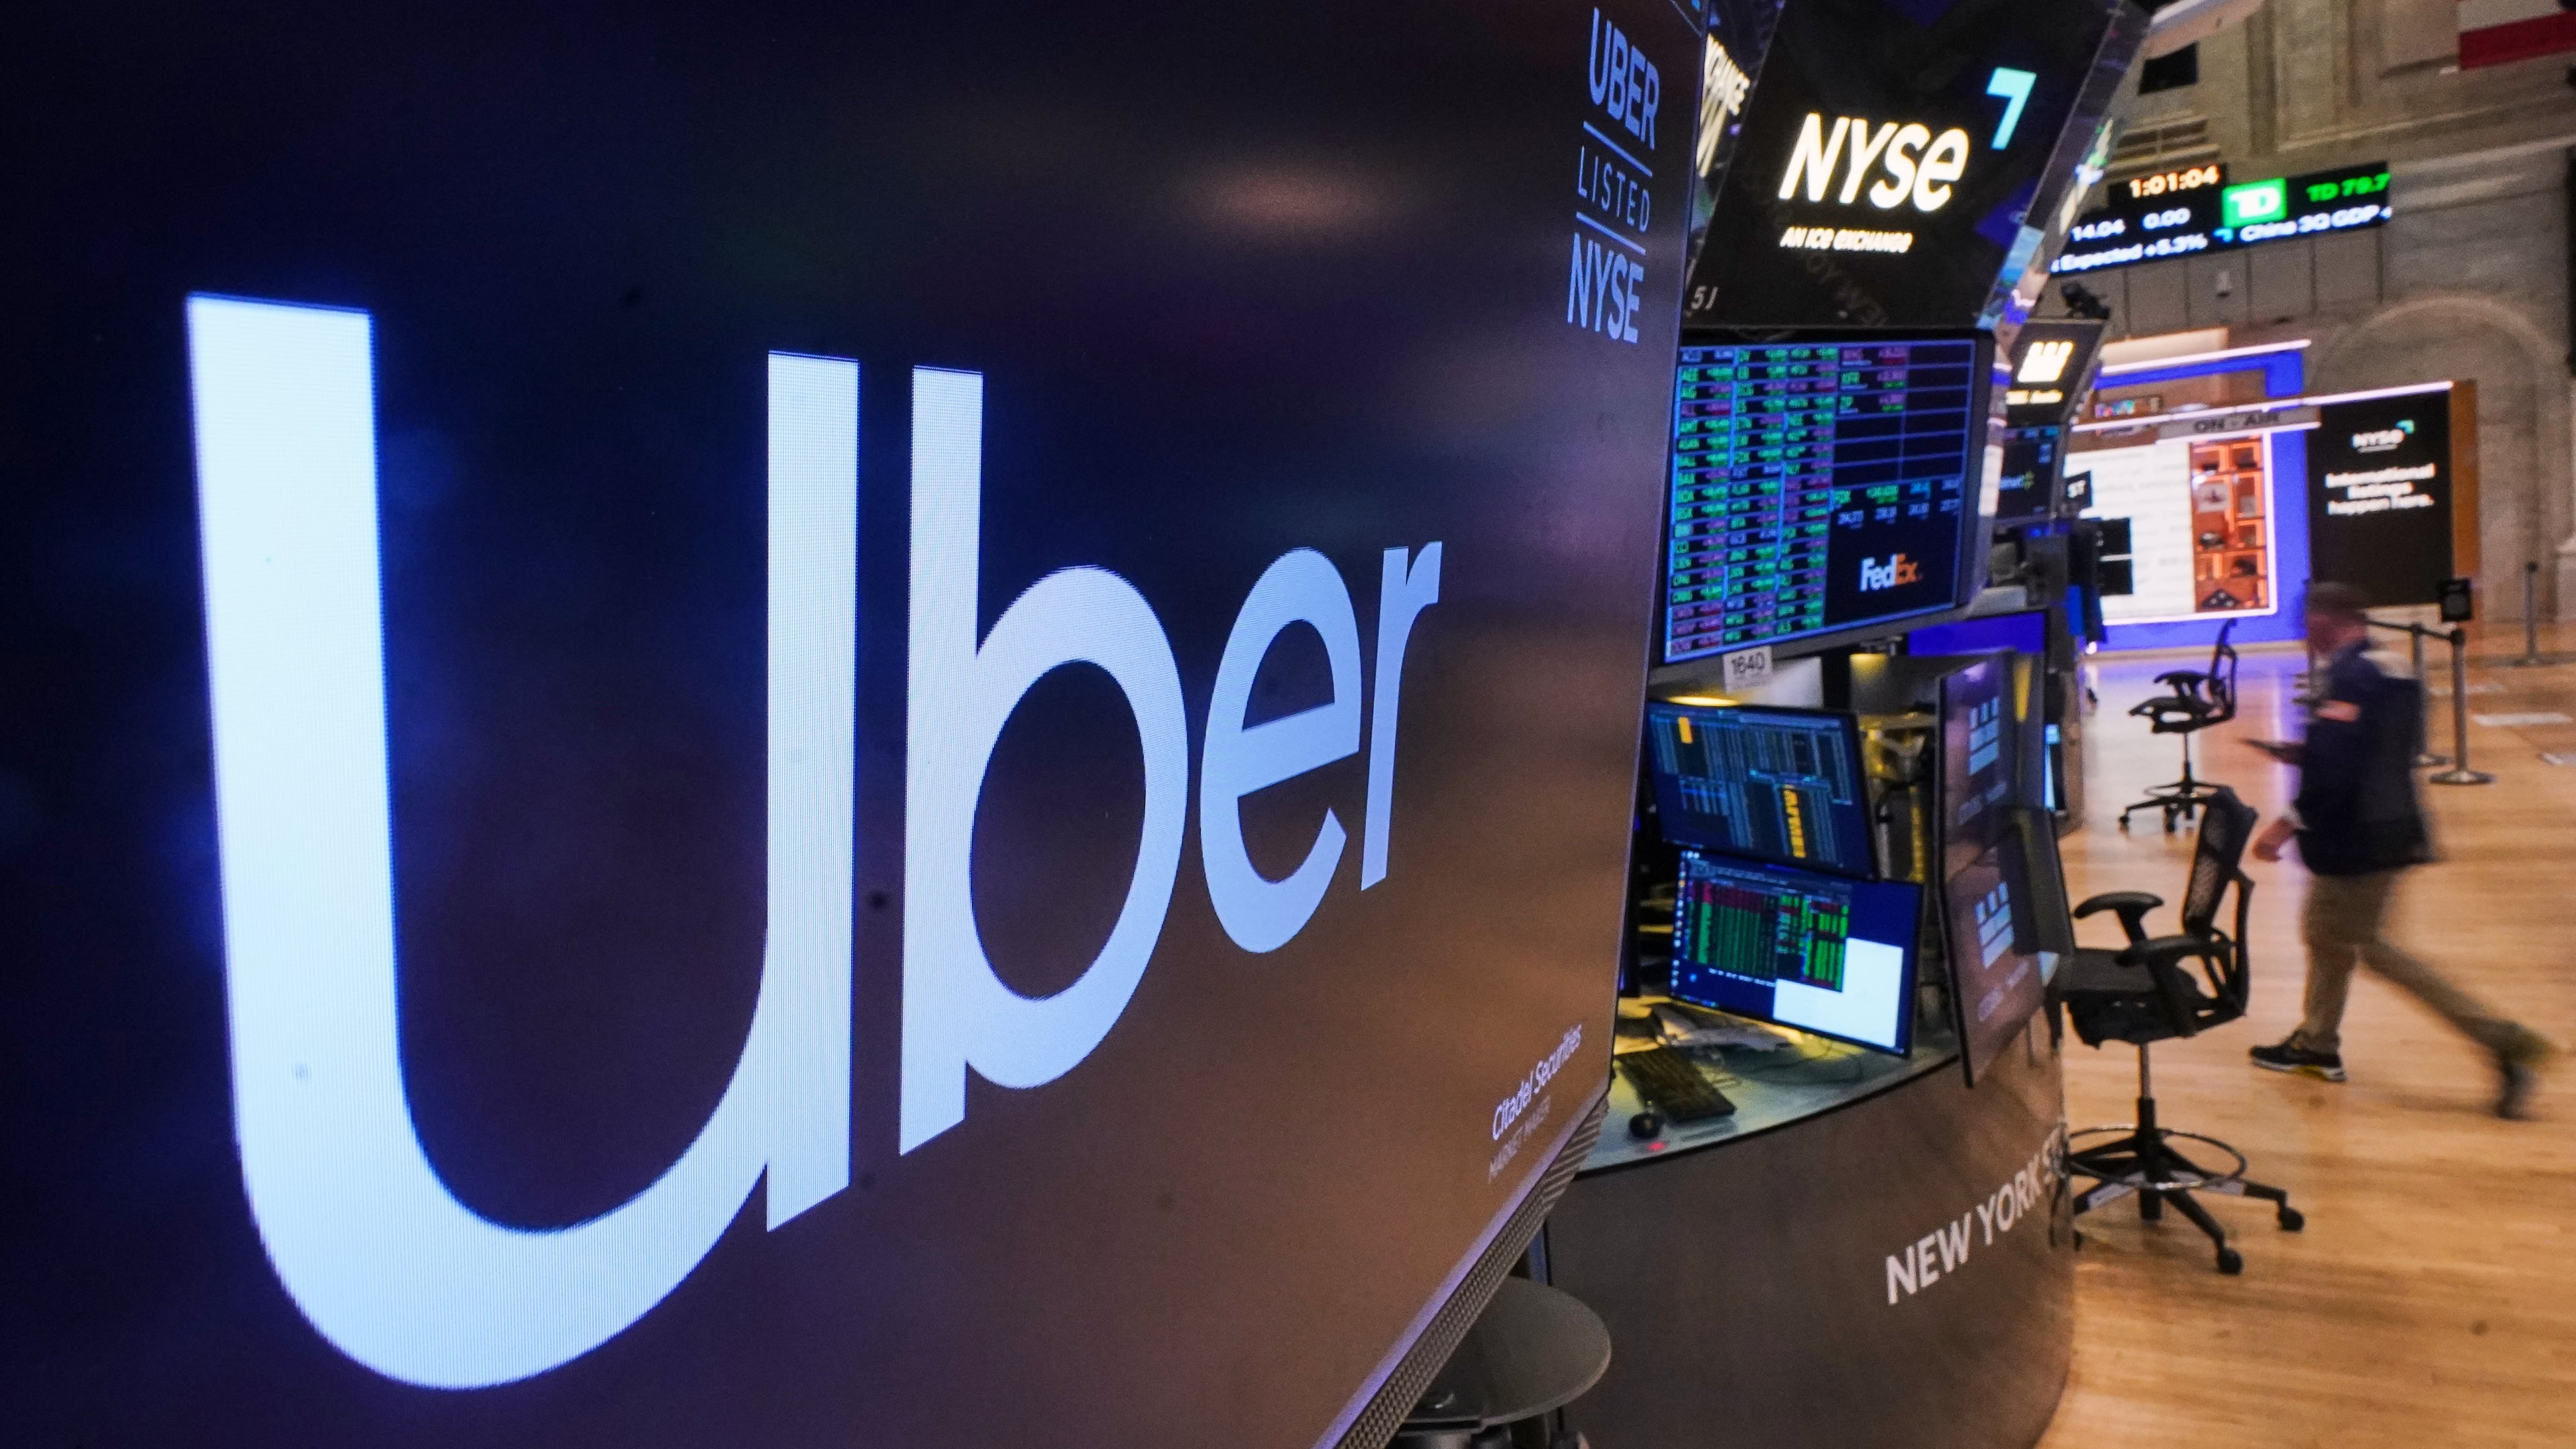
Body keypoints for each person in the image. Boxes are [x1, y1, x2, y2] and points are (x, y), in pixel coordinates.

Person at [2243, 582, 2555, 1118]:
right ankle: (2317, 1044)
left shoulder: (2349, 675)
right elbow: (2385, 751)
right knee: (2325, 933)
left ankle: (2507, 1042)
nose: (2302, 633)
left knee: (2373, 948)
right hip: (2392, 826)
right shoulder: (2394, 669)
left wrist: (2286, 823)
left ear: (2327, 619)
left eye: (2308, 620)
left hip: (2357, 837)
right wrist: (2307, 752)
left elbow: (2341, 770)